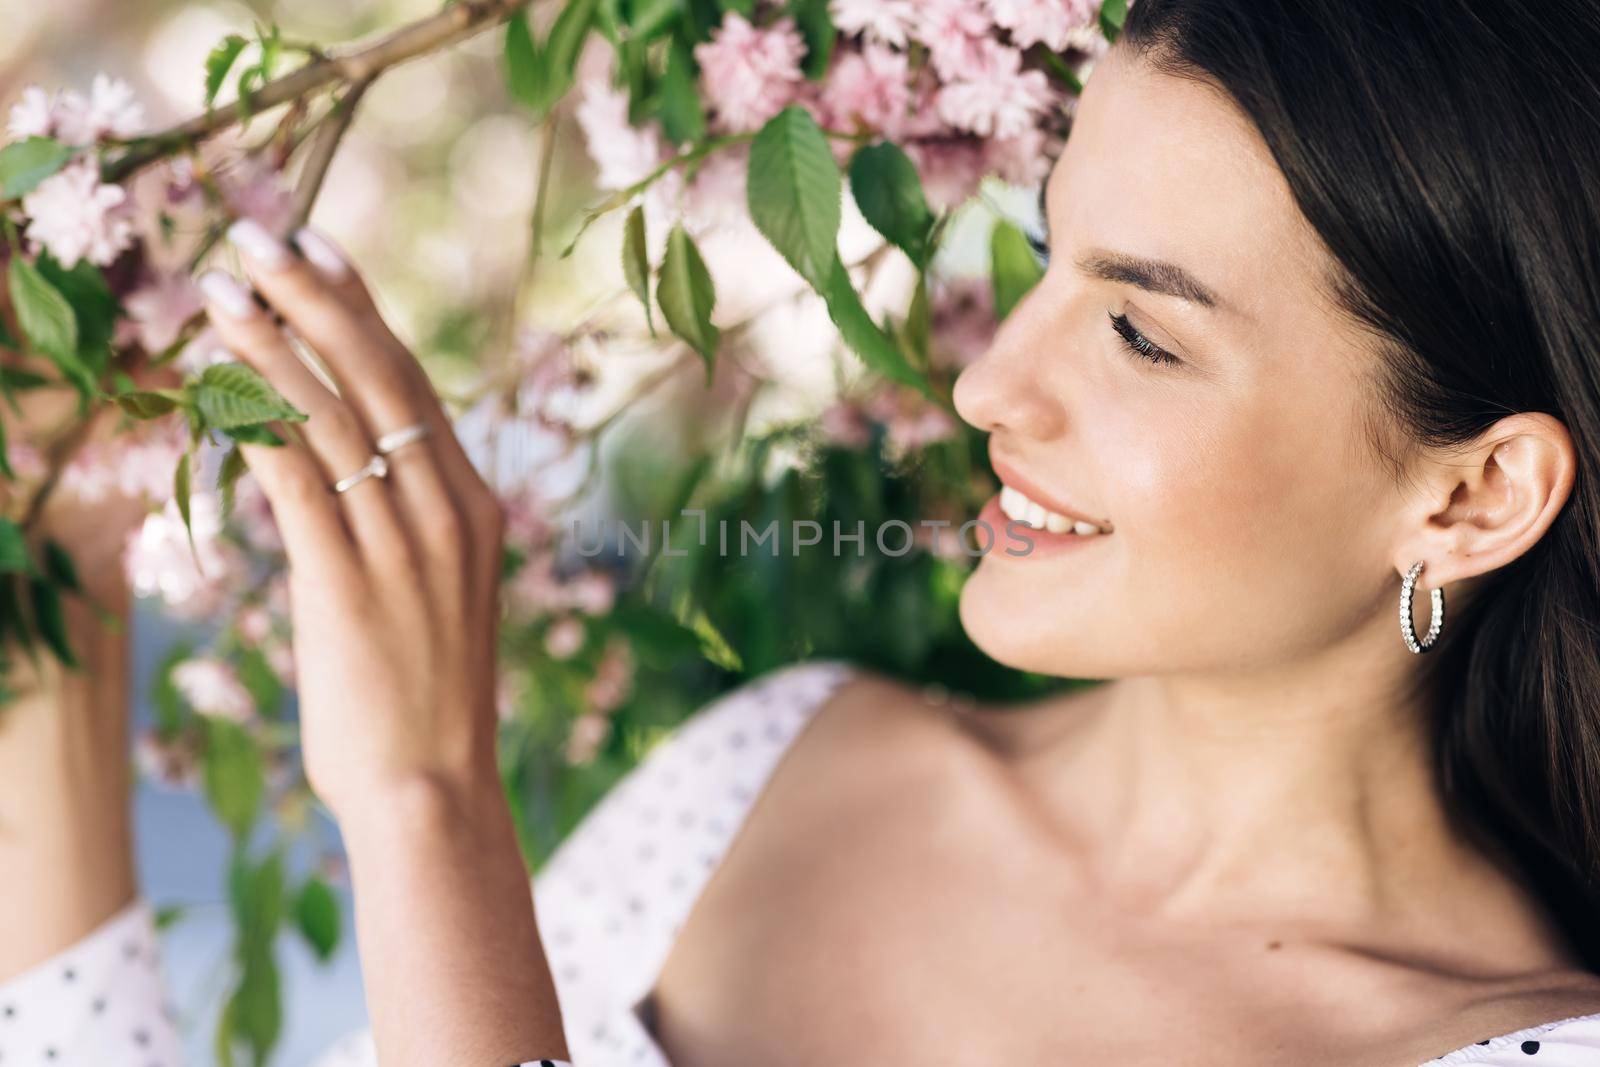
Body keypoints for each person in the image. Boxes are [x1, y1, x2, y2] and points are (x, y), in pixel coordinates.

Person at [5, 0, 1600, 1063]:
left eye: (1142, 334)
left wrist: (428, 817)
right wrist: (56, 576)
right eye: (1046, 259)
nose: (988, 382)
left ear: (1469, 496)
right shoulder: (795, 763)